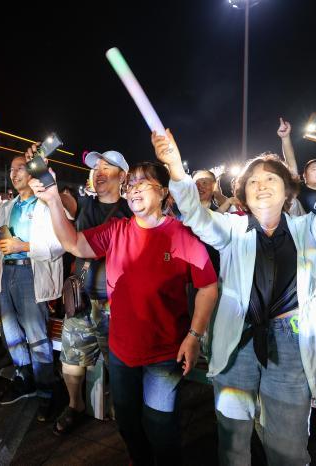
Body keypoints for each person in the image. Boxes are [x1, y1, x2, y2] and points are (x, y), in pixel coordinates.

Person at [153, 117, 316, 466]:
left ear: (287, 190)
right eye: (253, 181)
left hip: (292, 347)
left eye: (271, 178)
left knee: (287, 447)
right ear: (243, 194)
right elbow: (195, 214)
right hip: (238, 342)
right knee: (232, 441)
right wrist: (175, 169)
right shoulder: (232, 230)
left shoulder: (312, 228)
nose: (262, 185)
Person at [31, 161, 218, 465]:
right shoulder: (117, 230)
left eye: (142, 183)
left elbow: (208, 287)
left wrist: (194, 335)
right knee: (128, 422)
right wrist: (52, 199)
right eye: (130, 185)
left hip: (164, 353)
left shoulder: (181, 235)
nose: (133, 190)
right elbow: (73, 243)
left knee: (160, 425)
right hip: (121, 350)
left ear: (163, 193)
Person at [0, 159, 64, 422]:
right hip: (6, 274)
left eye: (19, 168)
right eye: (11, 169)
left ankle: (46, 391)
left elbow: (60, 243)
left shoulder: (46, 204)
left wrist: (24, 246)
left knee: (37, 335)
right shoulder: (9, 206)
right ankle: (24, 378)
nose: (13, 172)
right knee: (12, 332)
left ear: (33, 173)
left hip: (31, 272)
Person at [52, 150, 133, 436]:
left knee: (121, 365)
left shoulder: (132, 209)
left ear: (123, 175)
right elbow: (67, 204)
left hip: (118, 305)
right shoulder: (84, 205)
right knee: (71, 361)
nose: (99, 171)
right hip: (82, 301)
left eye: (107, 166)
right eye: (95, 167)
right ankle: (76, 405)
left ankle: (122, 406)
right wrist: (48, 186)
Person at [277, 118, 316, 213]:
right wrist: (285, 138)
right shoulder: (299, 190)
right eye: (314, 169)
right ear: (304, 175)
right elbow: (290, 163)